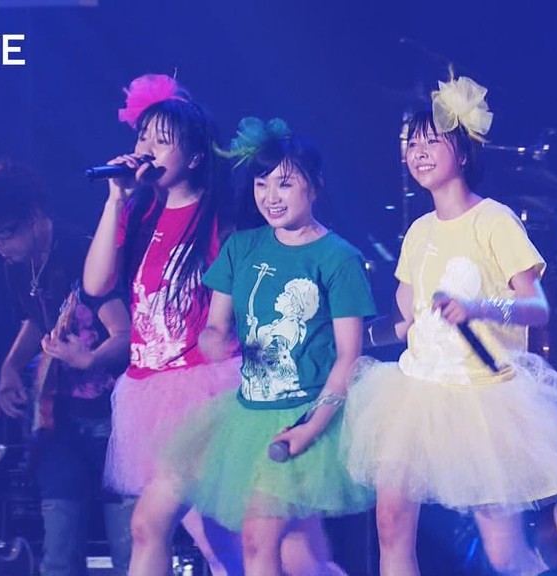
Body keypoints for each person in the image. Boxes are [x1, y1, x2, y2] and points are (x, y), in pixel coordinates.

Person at [341, 72, 557, 576]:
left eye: (432, 142)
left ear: (463, 152)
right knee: (390, 524)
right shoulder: (418, 230)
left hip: (481, 401)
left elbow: (537, 308)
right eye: (412, 144)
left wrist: (478, 308)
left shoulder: (494, 220)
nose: (418, 153)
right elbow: (409, 317)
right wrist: (368, 335)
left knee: (503, 552)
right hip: (414, 395)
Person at [159, 119, 374, 576]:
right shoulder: (241, 248)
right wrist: (218, 344)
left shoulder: (339, 259)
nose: (271, 196)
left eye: (285, 183)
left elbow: (348, 358)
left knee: (259, 540)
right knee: (301, 555)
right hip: (248, 418)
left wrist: (309, 429)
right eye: (261, 184)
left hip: (309, 417)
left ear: (315, 186)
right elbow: (214, 328)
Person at [83, 74, 243, 576]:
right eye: (142, 137)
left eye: (162, 140)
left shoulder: (217, 221)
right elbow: (95, 283)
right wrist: (115, 199)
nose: (146, 149)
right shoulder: (137, 213)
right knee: (218, 545)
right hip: (147, 392)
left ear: (194, 157)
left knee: (147, 525)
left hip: (201, 393)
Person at [0, 158, 133, 576]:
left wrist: (91, 359)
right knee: (58, 556)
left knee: (128, 555)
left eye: (5, 233)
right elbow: (37, 320)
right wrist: (9, 367)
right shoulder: (17, 267)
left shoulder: (80, 253)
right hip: (59, 424)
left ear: (34, 216)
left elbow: (124, 334)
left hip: (114, 423)